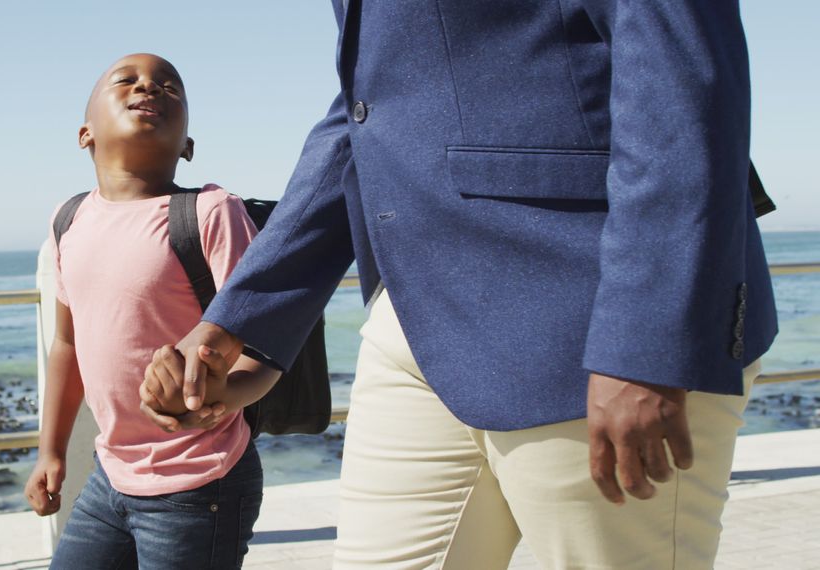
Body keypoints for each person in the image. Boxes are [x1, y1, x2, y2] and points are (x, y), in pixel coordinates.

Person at [154, 1, 778, 568]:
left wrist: (646, 342)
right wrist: (240, 319)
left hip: (583, 313)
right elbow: (364, 116)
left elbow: (682, 84)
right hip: (411, 323)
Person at [23, 53, 281, 569]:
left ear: (187, 147)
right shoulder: (67, 220)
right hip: (110, 475)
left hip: (200, 481)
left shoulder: (210, 213)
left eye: (170, 87)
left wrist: (225, 395)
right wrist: (49, 450)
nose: (150, 88)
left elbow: (268, 345)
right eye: (128, 80)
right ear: (85, 133)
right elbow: (68, 345)